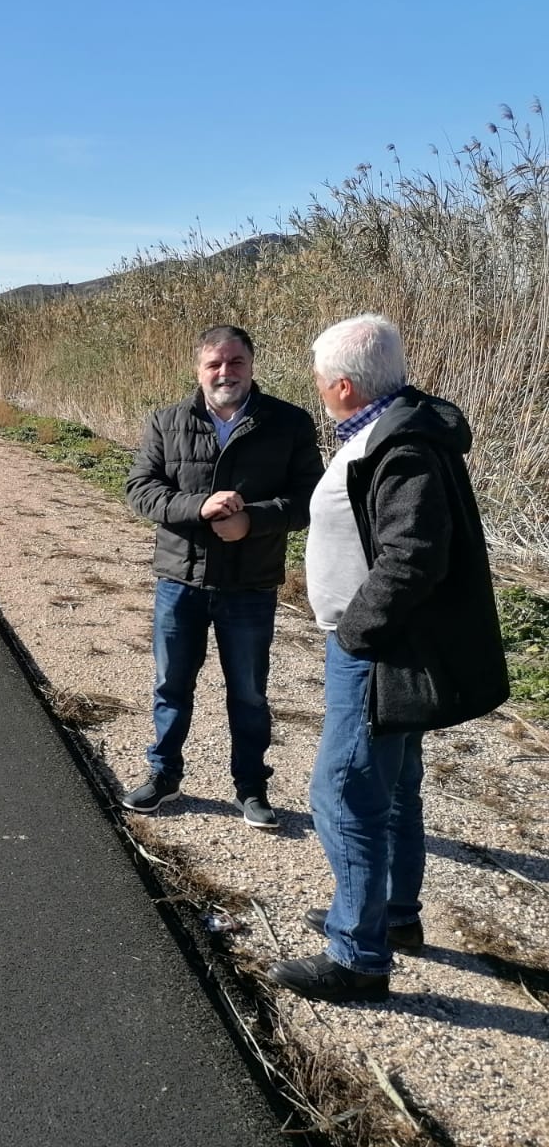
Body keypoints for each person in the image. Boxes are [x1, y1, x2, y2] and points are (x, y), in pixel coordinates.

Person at [267, 314, 507, 1002]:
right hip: (383, 648)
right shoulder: (391, 431)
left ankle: (358, 957)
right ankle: (391, 917)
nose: (315, 388)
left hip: (376, 652)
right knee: (395, 789)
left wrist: (355, 632)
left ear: (342, 386)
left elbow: (412, 557)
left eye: (318, 379)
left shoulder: (399, 446)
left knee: (344, 794)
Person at [123, 326, 324, 828]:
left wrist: (251, 520)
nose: (225, 372)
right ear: (199, 369)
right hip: (180, 582)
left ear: (252, 365)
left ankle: (251, 789)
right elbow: (140, 489)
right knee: (171, 685)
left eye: (235, 362)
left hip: (250, 584)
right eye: (214, 363)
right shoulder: (167, 421)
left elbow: (309, 500)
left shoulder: (289, 423)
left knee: (250, 692)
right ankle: (163, 777)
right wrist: (198, 506)